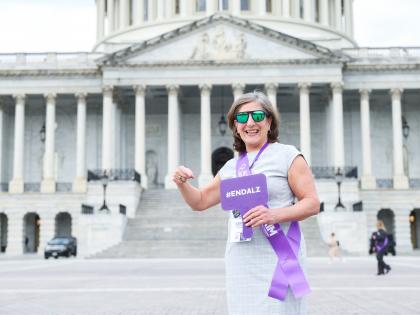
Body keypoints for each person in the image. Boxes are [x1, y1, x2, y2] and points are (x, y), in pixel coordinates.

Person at [173, 91, 320, 314]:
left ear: (269, 121)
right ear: (235, 126)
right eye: (242, 118)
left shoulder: (287, 155)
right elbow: (200, 201)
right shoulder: (231, 168)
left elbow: (312, 203)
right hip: (241, 258)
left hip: (279, 256)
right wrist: (182, 183)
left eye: (258, 116)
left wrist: (275, 215)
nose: (250, 123)